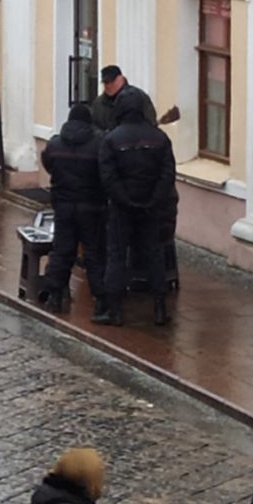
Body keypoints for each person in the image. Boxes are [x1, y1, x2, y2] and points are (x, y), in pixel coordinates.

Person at [95, 87, 175, 328]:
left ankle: (115, 310)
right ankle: (159, 308)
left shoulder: (111, 139)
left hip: (122, 208)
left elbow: (107, 177)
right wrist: (153, 199)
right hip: (151, 207)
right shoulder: (159, 138)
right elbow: (167, 174)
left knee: (117, 255)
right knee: (154, 254)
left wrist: (124, 200)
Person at [40, 104, 107, 318]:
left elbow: (48, 163)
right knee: (94, 253)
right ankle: (100, 301)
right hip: (91, 206)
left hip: (64, 205)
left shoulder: (55, 144)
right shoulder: (98, 145)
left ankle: (54, 296)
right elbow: (104, 173)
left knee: (62, 251)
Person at [90, 64, 156, 133]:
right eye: (106, 82)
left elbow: (150, 122)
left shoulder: (139, 97)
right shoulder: (98, 104)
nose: (109, 85)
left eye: (112, 81)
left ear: (120, 78)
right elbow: (93, 126)